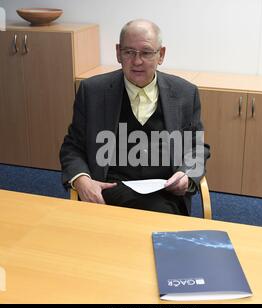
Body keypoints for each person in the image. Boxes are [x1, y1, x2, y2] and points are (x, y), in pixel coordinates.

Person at [60, 19, 210, 216]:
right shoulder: (93, 91)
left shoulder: (185, 93)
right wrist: (82, 180)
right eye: (129, 52)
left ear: (161, 55)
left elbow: (196, 147)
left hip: (164, 194)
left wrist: (186, 177)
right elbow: (73, 146)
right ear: (118, 53)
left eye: (146, 53)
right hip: (107, 192)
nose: (137, 61)